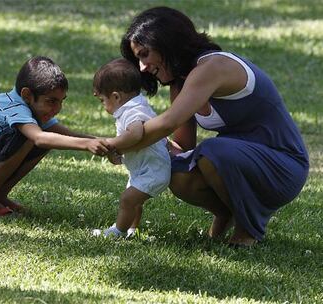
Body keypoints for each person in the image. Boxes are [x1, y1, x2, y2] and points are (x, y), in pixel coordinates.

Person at [120, 7, 309, 246]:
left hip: (284, 166)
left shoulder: (213, 66)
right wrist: (151, 151)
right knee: (177, 172)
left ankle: (248, 230)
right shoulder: (180, 83)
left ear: (166, 42)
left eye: (144, 54)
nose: (142, 67)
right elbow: (182, 146)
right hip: (241, 163)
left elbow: (169, 121)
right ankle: (227, 213)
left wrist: (118, 144)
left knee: (212, 152)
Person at [0, 56, 110, 217]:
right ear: (27, 95)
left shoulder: (28, 108)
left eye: (61, 101)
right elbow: (39, 137)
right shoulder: (15, 107)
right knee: (30, 136)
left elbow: (62, 133)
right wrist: (86, 144)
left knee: (47, 137)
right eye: (51, 101)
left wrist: (100, 142)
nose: (58, 108)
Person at [92, 58, 171, 238]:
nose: (103, 106)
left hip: (153, 170)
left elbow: (135, 134)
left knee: (127, 200)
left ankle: (117, 232)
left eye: (103, 100)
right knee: (135, 202)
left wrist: (111, 144)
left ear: (116, 97)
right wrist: (117, 154)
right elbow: (132, 143)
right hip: (144, 168)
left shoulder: (132, 111)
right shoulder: (134, 106)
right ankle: (131, 229)